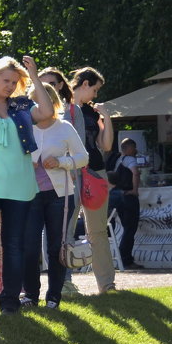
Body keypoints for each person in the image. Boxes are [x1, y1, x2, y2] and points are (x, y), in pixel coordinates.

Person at [0, 56, 52, 313]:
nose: (10, 86)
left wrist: (33, 77)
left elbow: (47, 113)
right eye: (5, 80)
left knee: (13, 244)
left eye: (14, 81)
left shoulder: (21, 105)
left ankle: (10, 300)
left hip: (20, 185)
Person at [23, 84, 88, 309]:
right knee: (29, 247)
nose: (37, 107)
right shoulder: (24, 127)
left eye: (41, 102)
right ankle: (30, 295)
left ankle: (54, 297)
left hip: (59, 196)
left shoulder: (65, 127)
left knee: (56, 248)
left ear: (52, 103)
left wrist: (62, 162)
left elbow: (83, 157)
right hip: (29, 194)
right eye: (33, 103)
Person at [70, 66, 116, 292]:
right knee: (65, 230)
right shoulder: (61, 108)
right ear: (85, 84)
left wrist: (106, 116)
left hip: (95, 173)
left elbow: (106, 145)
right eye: (95, 90)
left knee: (97, 231)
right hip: (68, 172)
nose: (96, 96)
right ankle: (65, 285)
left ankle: (107, 285)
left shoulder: (92, 112)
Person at [108, 137, 141, 269]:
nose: (136, 150)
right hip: (127, 195)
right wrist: (135, 190)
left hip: (116, 193)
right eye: (134, 147)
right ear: (128, 148)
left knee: (126, 228)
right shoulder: (130, 159)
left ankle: (123, 258)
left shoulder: (118, 160)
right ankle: (126, 259)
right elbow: (136, 173)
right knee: (130, 228)